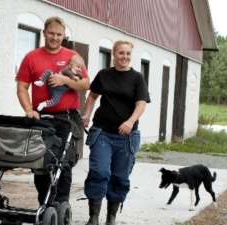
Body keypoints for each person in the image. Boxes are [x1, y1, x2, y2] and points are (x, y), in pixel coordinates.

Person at [16, 16, 90, 205]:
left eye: (59, 34)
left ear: (63, 35)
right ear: (44, 33)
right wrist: (28, 109)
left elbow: (85, 84)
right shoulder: (31, 57)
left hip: (67, 118)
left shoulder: (72, 57)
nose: (55, 37)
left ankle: (62, 203)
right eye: (51, 33)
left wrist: (65, 81)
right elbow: (22, 87)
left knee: (63, 162)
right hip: (42, 118)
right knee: (41, 162)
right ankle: (45, 203)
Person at [81, 40, 150, 225]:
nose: (124, 57)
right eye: (121, 53)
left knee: (120, 177)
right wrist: (87, 114)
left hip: (126, 137)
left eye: (128, 54)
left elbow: (141, 103)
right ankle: (93, 217)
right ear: (114, 54)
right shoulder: (104, 74)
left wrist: (130, 121)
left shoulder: (137, 78)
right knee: (99, 172)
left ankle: (111, 218)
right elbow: (93, 95)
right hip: (102, 132)